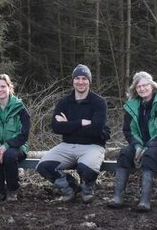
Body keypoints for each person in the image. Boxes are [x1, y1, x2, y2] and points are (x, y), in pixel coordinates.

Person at [36, 64, 109, 203]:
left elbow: (96, 130)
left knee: (86, 168)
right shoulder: (64, 102)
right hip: (67, 145)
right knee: (43, 166)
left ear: (89, 81)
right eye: (77, 78)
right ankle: (71, 188)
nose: (80, 82)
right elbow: (56, 128)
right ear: (73, 80)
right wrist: (81, 122)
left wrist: (68, 124)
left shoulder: (99, 102)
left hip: (92, 146)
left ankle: (87, 190)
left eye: (84, 78)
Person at [107, 72, 157, 212]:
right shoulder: (131, 106)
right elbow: (128, 131)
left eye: (145, 85)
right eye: (139, 86)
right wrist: (137, 145)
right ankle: (118, 197)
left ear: (152, 86)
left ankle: (145, 201)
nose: (142, 88)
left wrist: (148, 146)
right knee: (125, 153)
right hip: (140, 145)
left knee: (150, 154)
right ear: (135, 89)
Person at [0, 74, 31, 202]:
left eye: (3, 86)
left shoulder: (19, 107)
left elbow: (24, 133)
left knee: (9, 155)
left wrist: (6, 146)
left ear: (9, 87)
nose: (0, 89)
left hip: (17, 145)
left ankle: (12, 191)